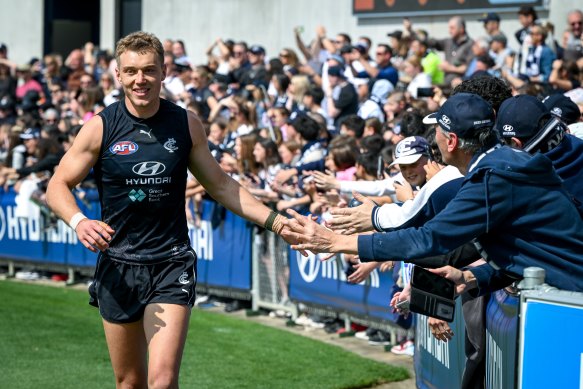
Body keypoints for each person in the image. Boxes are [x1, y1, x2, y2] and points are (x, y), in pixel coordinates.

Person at [45, 31, 295, 389]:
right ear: (118, 75)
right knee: (129, 382)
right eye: (131, 71)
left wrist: (277, 222)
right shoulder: (100, 127)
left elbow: (221, 185)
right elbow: (57, 185)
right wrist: (79, 221)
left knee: (162, 381)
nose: (140, 79)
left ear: (163, 72)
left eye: (149, 70)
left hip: (170, 261)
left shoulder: (185, 123)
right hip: (118, 264)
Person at [283, 92, 583, 294]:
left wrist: (336, 242)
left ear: (451, 141)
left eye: (436, 130)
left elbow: (429, 239)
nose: (432, 139)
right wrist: (473, 276)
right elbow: (529, 249)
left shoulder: (494, 176)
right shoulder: (502, 165)